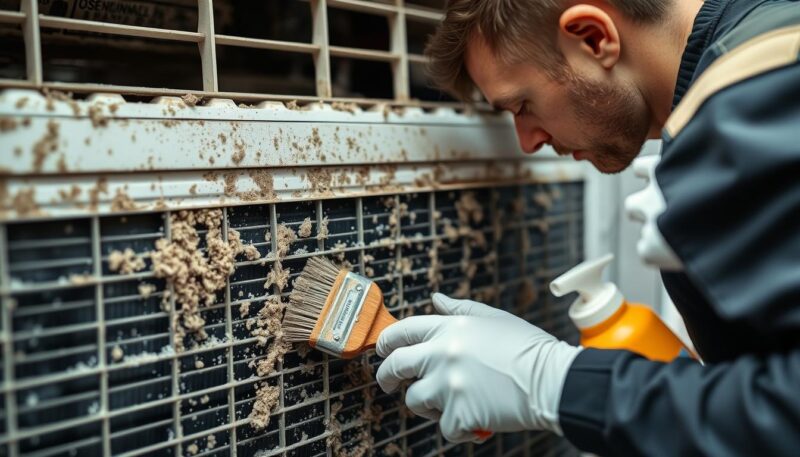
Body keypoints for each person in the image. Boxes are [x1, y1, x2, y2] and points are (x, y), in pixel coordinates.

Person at [375, 0, 800, 455]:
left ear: (593, 38)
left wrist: (553, 384)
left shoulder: (744, 108)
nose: (527, 141)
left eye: (523, 104)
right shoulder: (771, 36)